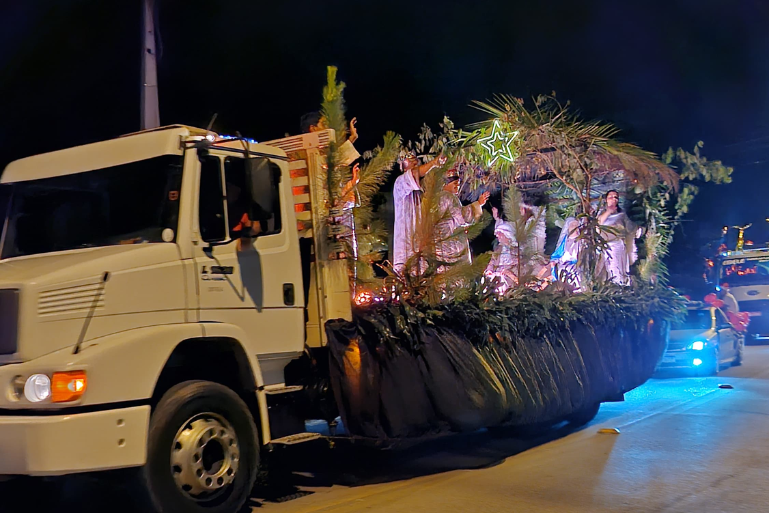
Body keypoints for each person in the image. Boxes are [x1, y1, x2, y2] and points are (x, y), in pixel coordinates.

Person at [392, 151, 447, 273]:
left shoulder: (421, 190)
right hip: (406, 246)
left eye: (416, 161)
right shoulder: (400, 182)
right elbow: (415, 173)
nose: (415, 163)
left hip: (422, 245)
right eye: (411, 161)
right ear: (403, 165)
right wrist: (433, 163)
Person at [434, 171, 489, 270]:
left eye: (458, 183)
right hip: (450, 244)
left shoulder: (434, 199)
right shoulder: (448, 197)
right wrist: (478, 204)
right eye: (454, 183)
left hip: (437, 245)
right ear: (445, 183)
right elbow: (463, 216)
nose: (457, 186)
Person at [597, 190, 640, 285]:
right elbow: (598, 224)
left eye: (616, 197)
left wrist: (640, 229)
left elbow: (630, 228)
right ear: (606, 200)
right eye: (611, 197)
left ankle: (621, 287)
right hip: (606, 246)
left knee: (621, 268)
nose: (614, 199)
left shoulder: (621, 214)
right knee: (610, 269)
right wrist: (608, 212)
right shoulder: (601, 213)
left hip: (619, 245)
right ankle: (614, 287)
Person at [485, 207, 517, 294]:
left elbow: (518, 265)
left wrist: (506, 271)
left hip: (508, 276)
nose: (498, 237)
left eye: (500, 235)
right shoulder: (499, 248)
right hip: (497, 275)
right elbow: (492, 261)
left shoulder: (515, 250)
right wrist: (489, 270)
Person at [547, 216, 581, 290]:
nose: (575, 227)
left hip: (576, 268)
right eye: (572, 225)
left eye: (576, 225)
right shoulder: (563, 242)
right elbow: (557, 255)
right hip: (563, 268)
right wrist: (554, 262)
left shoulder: (581, 241)